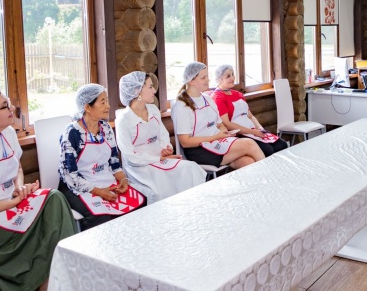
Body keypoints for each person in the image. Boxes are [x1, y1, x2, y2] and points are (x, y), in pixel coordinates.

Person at [0, 85, 76, 291]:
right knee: (39, 225)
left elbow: (16, 167)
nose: (12, 108)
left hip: (8, 202)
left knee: (54, 199)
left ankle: (60, 277)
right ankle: (41, 281)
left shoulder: (8, 133)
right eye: (4, 106)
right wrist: (13, 203)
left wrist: (20, 188)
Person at [58, 84, 146, 230]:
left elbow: (114, 162)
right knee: (101, 218)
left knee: (140, 203)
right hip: (76, 186)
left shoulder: (106, 128)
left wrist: (123, 180)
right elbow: (69, 175)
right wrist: (98, 191)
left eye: (107, 101)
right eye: (103, 102)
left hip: (104, 179)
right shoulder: (72, 133)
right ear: (87, 107)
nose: (108, 106)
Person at [116, 71, 206, 203]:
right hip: (140, 168)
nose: (154, 91)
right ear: (137, 91)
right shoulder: (123, 120)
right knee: (163, 184)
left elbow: (163, 136)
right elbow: (130, 157)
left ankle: (195, 204)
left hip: (160, 159)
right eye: (150, 87)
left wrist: (166, 149)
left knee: (190, 168)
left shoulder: (153, 110)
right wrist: (158, 158)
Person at [171, 62, 265, 169]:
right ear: (191, 81)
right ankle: (271, 176)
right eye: (203, 78)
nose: (208, 80)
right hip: (199, 150)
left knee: (248, 162)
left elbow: (220, 124)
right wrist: (216, 137)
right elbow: (185, 142)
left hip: (216, 142)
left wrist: (224, 132)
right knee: (249, 144)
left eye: (207, 76)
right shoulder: (181, 106)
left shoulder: (207, 99)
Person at [211, 65, 288, 157]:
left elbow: (250, 116)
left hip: (252, 130)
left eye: (232, 74)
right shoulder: (217, 97)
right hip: (238, 134)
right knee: (268, 150)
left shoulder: (238, 94)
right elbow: (227, 124)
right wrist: (252, 132)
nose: (232, 78)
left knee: (282, 145)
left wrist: (260, 128)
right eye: (228, 76)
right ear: (219, 79)